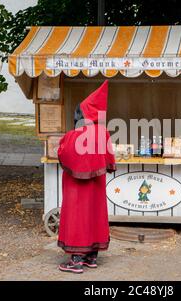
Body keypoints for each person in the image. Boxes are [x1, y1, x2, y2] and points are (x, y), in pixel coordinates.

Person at [56, 80, 116, 274]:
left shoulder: (73, 135)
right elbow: (110, 161)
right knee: (94, 215)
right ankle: (91, 257)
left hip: (75, 187)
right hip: (97, 186)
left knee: (77, 217)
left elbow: (63, 154)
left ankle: (76, 261)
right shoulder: (103, 134)